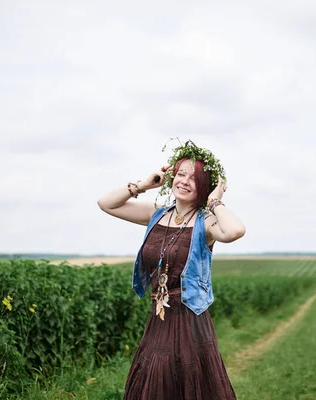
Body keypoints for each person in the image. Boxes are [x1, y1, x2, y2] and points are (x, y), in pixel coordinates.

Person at [97, 142, 245, 399]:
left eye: (194, 177)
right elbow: (106, 203)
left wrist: (215, 202)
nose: (185, 181)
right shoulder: (157, 214)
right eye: (181, 174)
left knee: (190, 383)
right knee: (156, 383)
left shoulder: (205, 221)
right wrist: (143, 185)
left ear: (204, 186)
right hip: (160, 316)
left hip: (190, 318)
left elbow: (234, 231)